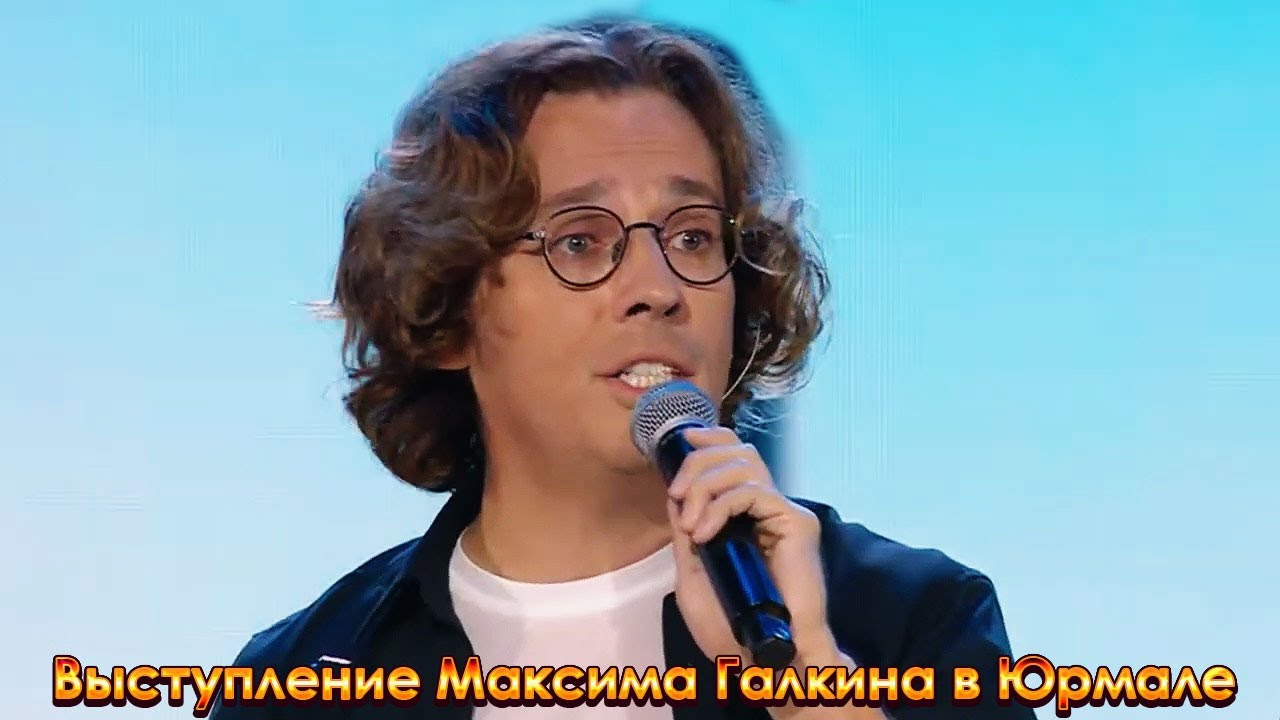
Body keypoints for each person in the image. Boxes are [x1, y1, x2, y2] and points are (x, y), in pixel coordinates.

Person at [212, 16, 1035, 720]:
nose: (659, 289)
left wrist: (803, 684)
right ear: (447, 314)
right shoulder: (302, 682)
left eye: (692, 237)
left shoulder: (912, 624)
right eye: (580, 242)